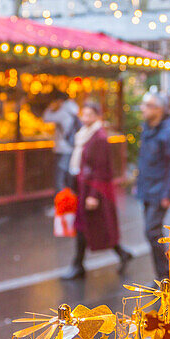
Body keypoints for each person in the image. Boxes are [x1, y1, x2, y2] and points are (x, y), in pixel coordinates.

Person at [61, 102, 132, 280]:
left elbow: (101, 168)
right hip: (85, 187)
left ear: (97, 116)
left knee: (88, 226)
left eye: (89, 114)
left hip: (94, 190)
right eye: (83, 114)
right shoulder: (84, 135)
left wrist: (93, 196)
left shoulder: (98, 138)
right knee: (89, 226)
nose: (85, 118)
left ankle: (79, 265)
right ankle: (118, 253)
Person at [136, 91, 170, 279]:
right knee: (153, 233)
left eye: (147, 105)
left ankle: (167, 276)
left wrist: (168, 193)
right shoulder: (149, 127)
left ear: (158, 109)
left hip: (160, 190)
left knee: (152, 231)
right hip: (147, 187)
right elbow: (145, 159)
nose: (143, 109)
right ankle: (164, 276)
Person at [43, 92, 80, 192]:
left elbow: (46, 118)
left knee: (60, 176)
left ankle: (61, 201)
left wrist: (50, 107)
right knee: (67, 174)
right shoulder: (73, 108)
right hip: (71, 146)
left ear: (59, 100)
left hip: (63, 148)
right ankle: (69, 199)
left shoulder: (63, 111)